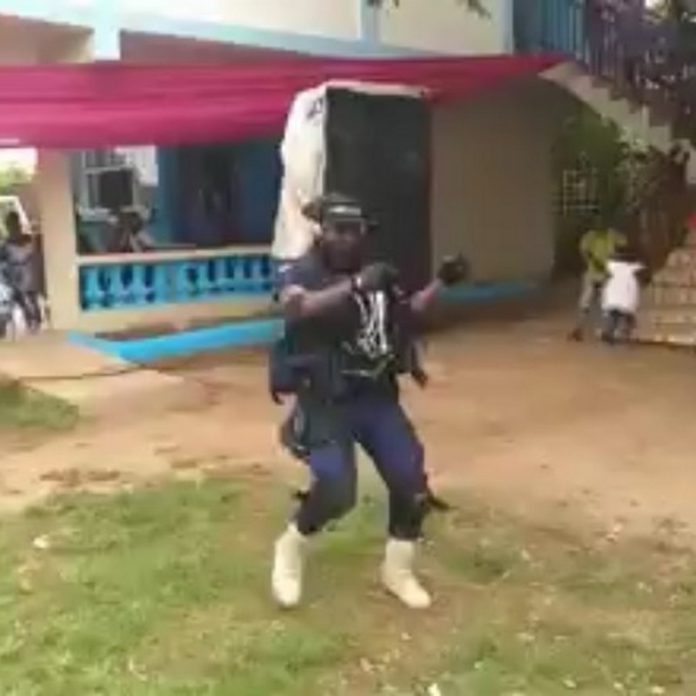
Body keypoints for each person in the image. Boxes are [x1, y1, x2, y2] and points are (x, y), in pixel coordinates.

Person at [269, 192, 469, 611]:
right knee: (337, 489)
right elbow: (297, 307)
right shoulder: (302, 271)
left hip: (376, 395)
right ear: (322, 231)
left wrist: (441, 282)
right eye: (338, 230)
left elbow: (407, 313)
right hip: (326, 397)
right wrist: (356, 286)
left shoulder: (378, 272)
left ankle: (398, 570)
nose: (347, 239)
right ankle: (290, 548)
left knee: (410, 481)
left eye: (355, 231)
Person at [569, 218, 627, 341]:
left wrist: (616, 258)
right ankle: (578, 328)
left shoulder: (612, 235)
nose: (600, 224)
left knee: (606, 302)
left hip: (606, 274)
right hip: (593, 273)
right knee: (585, 302)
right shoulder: (590, 237)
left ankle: (607, 330)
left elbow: (624, 245)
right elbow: (585, 252)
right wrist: (595, 261)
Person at [1, 211, 41, 332]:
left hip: (25, 275)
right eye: (10, 224)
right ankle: (32, 323)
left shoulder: (26, 239)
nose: (12, 227)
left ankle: (34, 323)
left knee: (29, 300)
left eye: (13, 223)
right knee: (23, 301)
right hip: (18, 277)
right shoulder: (7, 245)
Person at [601, 247, 644, 344]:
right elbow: (634, 290)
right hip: (625, 299)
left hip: (612, 298)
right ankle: (625, 333)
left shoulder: (612, 270)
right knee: (627, 315)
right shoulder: (632, 272)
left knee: (614, 315)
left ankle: (610, 332)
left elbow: (606, 286)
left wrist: (604, 299)